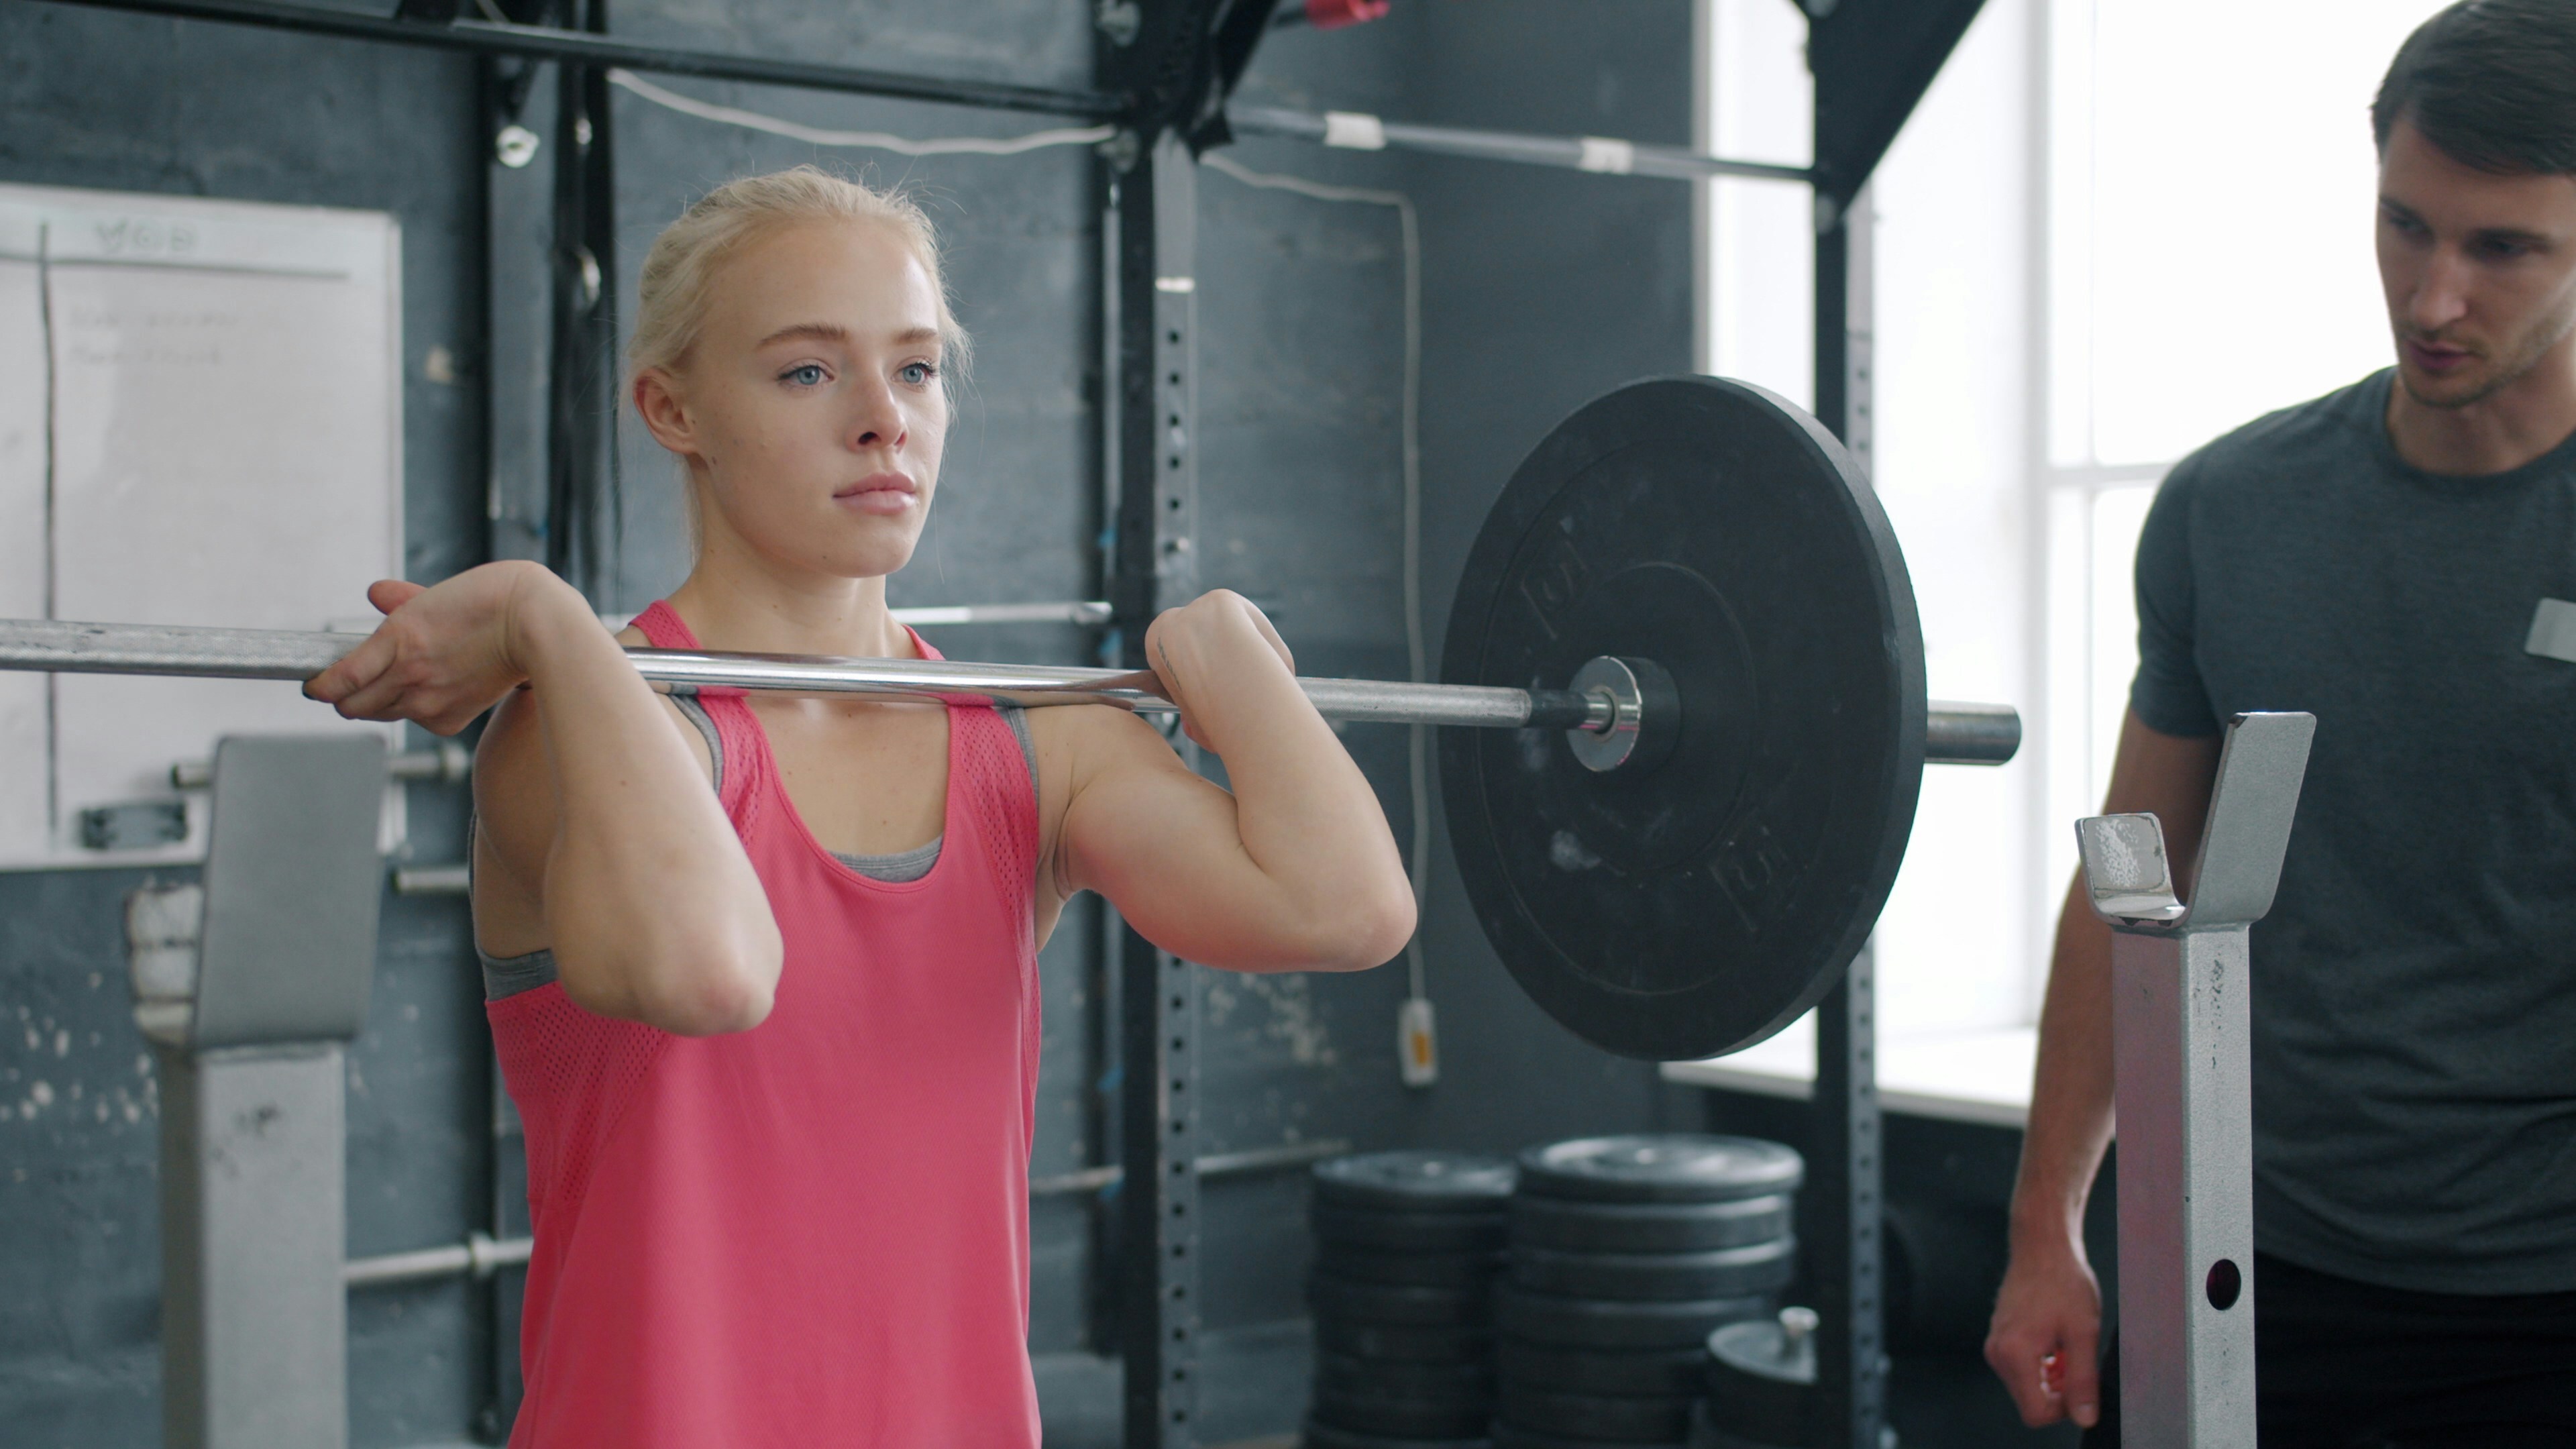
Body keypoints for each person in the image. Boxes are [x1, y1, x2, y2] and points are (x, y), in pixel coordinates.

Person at [303, 167, 1418, 1446]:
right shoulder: (590, 724)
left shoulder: (1036, 742)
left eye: (920, 368)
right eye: (807, 373)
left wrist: (1228, 650)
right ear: (673, 408)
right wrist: (544, 619)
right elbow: (705, 973)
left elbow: (1349, 910)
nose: (886, 420)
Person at [1984, 3, 2576, 1444]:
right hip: (2250, 1273)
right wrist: (2045, 1223)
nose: (2433, 299)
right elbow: (2133, 876)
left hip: (2547, 1299)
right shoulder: (2231, 511)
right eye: (2404, 227)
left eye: (2502, 249)